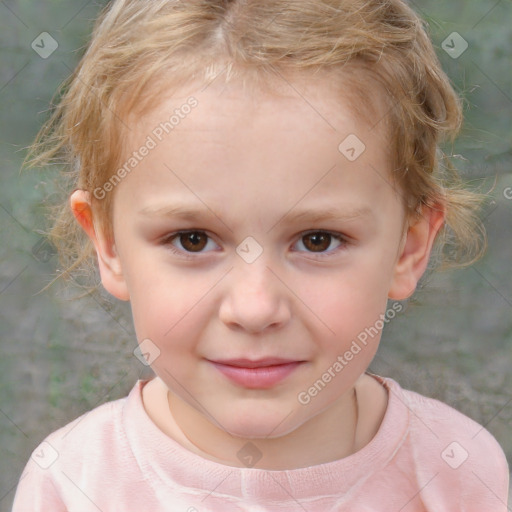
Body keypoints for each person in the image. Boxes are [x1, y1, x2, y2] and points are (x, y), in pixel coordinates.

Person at [12, 0, 509, 510]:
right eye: (193, 240)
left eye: (318, 240)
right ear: (109, 244)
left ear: (408, 247)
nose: (254, 309)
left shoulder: (458, 473)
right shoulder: (72, 485)